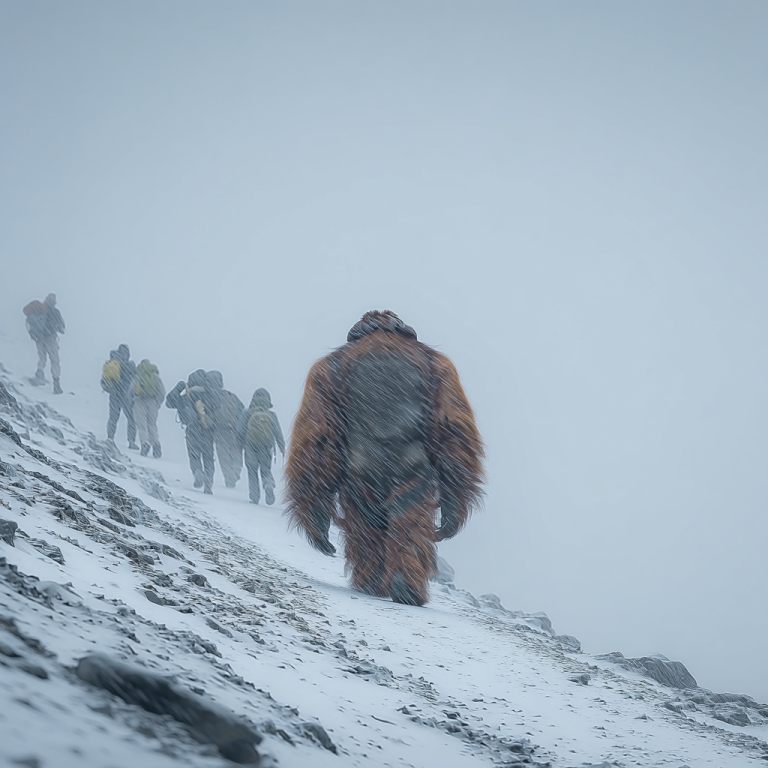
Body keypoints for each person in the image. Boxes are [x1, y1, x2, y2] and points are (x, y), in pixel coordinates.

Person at [285, 310, 484, 607]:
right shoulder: (435, 365)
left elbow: (316, 440)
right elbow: (455, 433)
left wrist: (314, 507)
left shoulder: (331, 367)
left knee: (365, 536)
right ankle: (406, 572)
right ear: (404, 331)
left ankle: (372, 578)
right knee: (410, 529)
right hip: (412, 469)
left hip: (358, 469)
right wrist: (456, 497)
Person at [166, 369, 220, 494]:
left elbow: (169, 403)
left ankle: (198, 473)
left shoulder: (186, 397)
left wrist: (178, 387)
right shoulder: (211, 395)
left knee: (194, 454)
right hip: (208, 430)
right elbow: (218, 406)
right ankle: (209, 483)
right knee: (208, 457)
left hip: (192, 429)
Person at [236, 388, 284, 505]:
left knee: (252, 471)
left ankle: (254, 496)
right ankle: (268, 484)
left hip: (250, 446)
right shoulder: (272, 415)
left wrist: (239, 446)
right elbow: (278, 432)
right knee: (266, 470)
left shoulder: (247, 413)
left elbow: (240, 430)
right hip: (266, 447)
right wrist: (282, 446)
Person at [208, 371, 244, 488]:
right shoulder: (231, 396)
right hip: (234, 430)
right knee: (236, 453)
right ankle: (236, 472)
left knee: (223, 455)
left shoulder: (211, 397)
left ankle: (228, 477)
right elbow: (242, 412)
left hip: (219, 430)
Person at [23, 293, 65, 394]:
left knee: (42, 357)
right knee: (54, 360)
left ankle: (39, 374)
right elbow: (62, 327)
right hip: (50, 337)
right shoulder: (55, 311)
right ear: (54, 302)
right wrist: (56, 328)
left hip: (39, 337)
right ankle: (56, 384)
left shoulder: (39, 310)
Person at [101, 344, 138, 449]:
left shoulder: (113, 362)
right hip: (126, 395)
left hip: (114, 394)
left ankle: (110, 437)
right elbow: (134, 380)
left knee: (113, 417)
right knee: (131, 418)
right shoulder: (130, 365)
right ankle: (131, 441)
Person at [133, 359, 165, 458]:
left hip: (139, 401)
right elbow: (162, 392)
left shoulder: (138, 375)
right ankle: (156, 443)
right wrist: (157, 403)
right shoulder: (155, 376)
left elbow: (131, 390)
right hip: (152, 402)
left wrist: (132, 401)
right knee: (152, 424)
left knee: (141, 424)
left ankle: (145, 443)